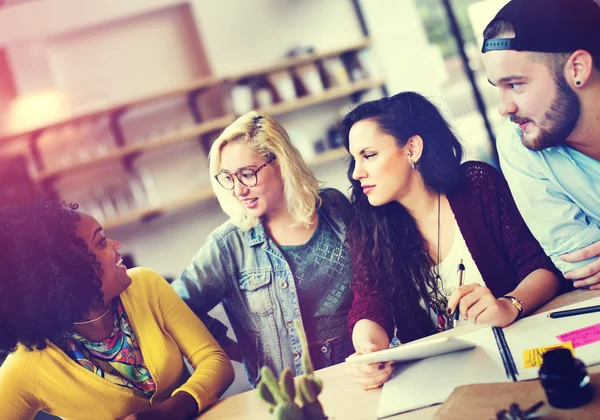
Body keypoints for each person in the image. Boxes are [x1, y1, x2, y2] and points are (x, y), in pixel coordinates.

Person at [342, 92, 561, 390]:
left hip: (521, 359)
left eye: (368, 155)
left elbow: (541, 267)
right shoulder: (369, 224)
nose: (357, 173)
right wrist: (368, 350)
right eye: (354, 159)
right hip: (442, 381)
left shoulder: (477, 184)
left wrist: (509, 305)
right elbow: (369, 305)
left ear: (412, 149)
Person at [0, 201, 234, 420]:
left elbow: (215, 362)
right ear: (68, 272)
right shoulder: (29, 363)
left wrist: (166, 413)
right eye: (101, 242)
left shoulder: (145, 286)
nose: (116, 244)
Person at [172, 112, 354, 387]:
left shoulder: (334, 207)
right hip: (295, 392)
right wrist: (242, 353)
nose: (238, 190)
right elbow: (176, 307)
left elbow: (376, 281)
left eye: (247, 174)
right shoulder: (227, 245)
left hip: (363, 366)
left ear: (280, 163)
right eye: (228, 178)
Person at [481, 0, 600, 289]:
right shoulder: (518, 146)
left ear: (578, 69)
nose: (504, 107)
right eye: (498, 87)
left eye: (516, 84)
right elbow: (581, 266)